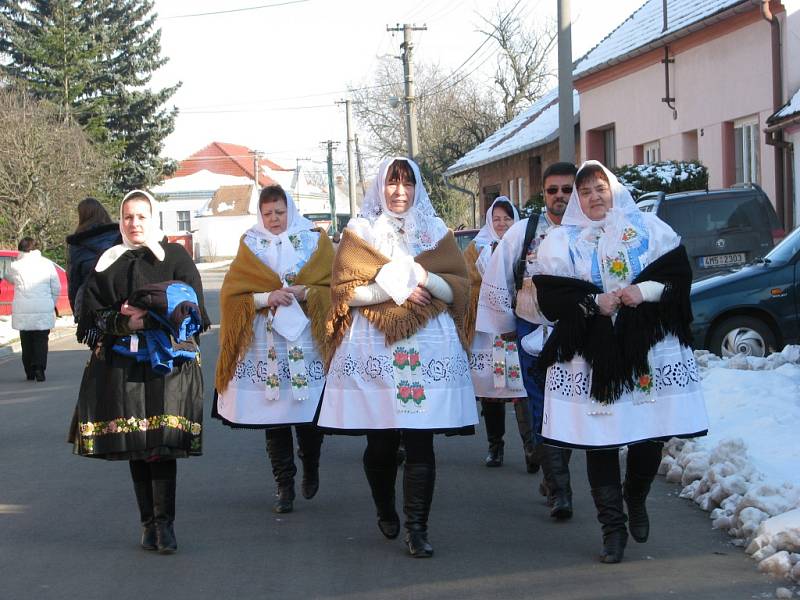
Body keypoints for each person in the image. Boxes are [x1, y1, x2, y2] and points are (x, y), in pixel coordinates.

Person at [533, 161, 709, 563]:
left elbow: (678, 277)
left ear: (612, 189)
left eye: (600, 188)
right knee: (601, 442)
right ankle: (612, 529)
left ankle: (637, 494)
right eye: (585, 192)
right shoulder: (562, 242)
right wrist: (595, 301)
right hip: (591, 356)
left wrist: (642, 292)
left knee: (649, 434)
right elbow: (551, 296)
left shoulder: (649, 229)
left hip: (644, 349)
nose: (594, 197)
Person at [318, 157, 478, 558]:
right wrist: (392, 288)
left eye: (407, 182)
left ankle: (418, 528)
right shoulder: (360, 231)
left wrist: (422, 277)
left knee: (421, 441)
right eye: (393, 182)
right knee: (382, 441)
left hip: (428, 346)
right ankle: (385, 507)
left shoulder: (436, 230)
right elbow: (343, 293)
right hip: (375, 344)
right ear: (380, 186)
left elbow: (459, 288)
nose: (400, 190)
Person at [70, 190, 210, 554]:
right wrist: (122, 321)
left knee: (161, 445)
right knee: (138, 443)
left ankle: (166, 526)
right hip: (124, 364)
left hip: (168, 365)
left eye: (141, 216)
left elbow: (194, 306)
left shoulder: (175, 257)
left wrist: (158, 315)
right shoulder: (106, 262)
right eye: (128, 217)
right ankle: (147, 523)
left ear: (153, 218)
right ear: (120, 222)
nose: (135, 224)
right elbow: (90, 315)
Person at [213, 185, 333, 514]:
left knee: (308, 412)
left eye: (279, 212)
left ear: (289, 209)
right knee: (274, 415)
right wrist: (268, 298)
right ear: (260, 214)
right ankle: (284, 484)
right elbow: (232, 295)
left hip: (305, 340)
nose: (274, 219)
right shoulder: (251, 243)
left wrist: (306, 292)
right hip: (266, 343)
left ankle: (310, 463)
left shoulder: (312, 238)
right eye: (268, 214)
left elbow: (333, 285)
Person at [476, 162, 578, 520]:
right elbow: (498, 277)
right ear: (544, 194)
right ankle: (560, 491)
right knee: (539, 404)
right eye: (554, 190)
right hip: (530, 329)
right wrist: (504, 325)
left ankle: (553, 476)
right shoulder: (524, 231)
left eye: (568, 189)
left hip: (579, 333)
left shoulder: (592, 230)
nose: (561, 197)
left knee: (568, 406)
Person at [464, 197, 535, 470]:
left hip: (517, 326)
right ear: (489, 222)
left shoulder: (526, 246)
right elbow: (466, 284)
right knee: (493, 391)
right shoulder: (476, 249)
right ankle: (496, 446)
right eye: (497, 219)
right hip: (488, 330)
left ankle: (531, 448)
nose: (502, 223)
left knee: (520, 388)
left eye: (507, 218)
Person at [3, 237, 60, 382]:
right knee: (41, 340)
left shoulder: (16, 266)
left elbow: (8, 278)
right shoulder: (47, 264)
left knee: (26, 341)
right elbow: (56, 287)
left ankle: (29, 371)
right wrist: (50, 302)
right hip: (43, 307)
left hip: (23, 309)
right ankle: (39, 369)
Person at [66, 197, 121, 319]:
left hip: (89, 302)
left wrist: (76, 308)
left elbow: (74, 279)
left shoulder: (77, 244)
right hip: (118, 299)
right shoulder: (119, 236)